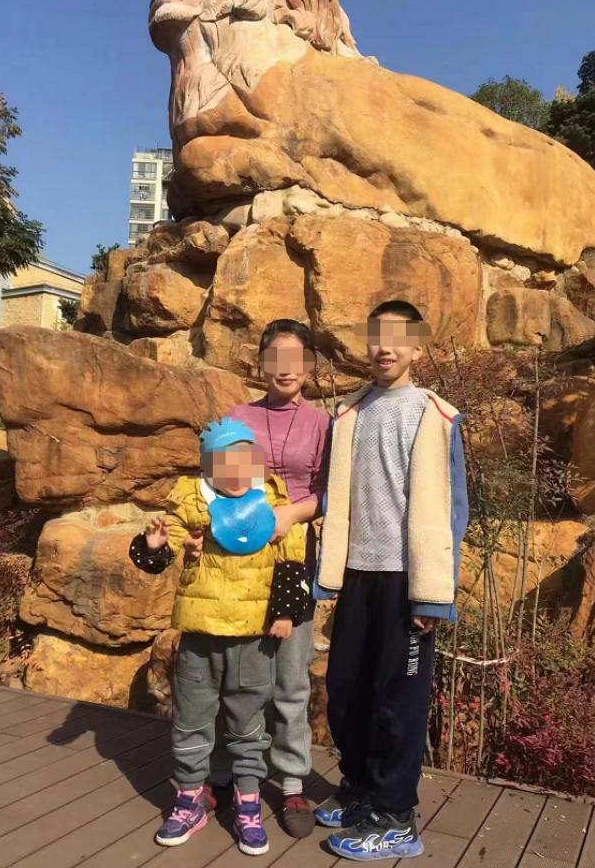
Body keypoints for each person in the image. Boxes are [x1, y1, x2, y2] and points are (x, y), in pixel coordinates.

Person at [314, 301, 469, 862]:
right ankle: (360, 789)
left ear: (417, 348)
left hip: (407, 581)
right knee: (346, 690)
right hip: (358, 573)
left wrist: (434, 595)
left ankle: (396, 815)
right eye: (377, 336)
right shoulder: (350, 412)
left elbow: (451, 509)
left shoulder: (434, 415)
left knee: (397, 701)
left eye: (399, 338)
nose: (386, 347)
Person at [129, 418, 309, 857]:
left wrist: (285, 612)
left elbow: (291, 559)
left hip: (251, 637)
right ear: (209, 466)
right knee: (191, 720)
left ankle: (248, 804)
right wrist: (153, 546)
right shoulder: (193, 500)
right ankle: (190, 798)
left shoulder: (271, 500)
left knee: (249, 725)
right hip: (200, 635)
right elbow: (167, 543)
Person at [206, 319, 330, 839]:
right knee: (235, 673)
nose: (285, 368)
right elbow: (211, 479)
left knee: (291, 675)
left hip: (295, 558)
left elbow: (328, 490)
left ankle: (293, 781)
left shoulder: (322, 423)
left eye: (295, 358)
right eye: (275, 357)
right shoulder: (238, 416)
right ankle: (230, 774)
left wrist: (291, 514)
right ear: (261, 363)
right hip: (239, 560)